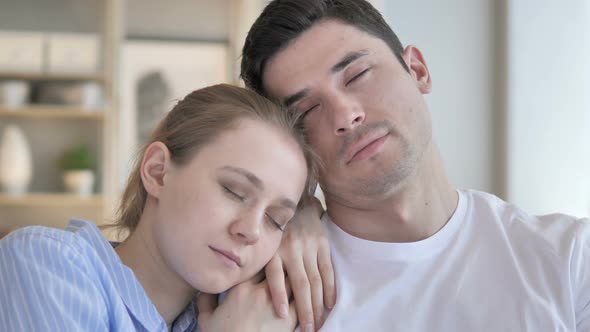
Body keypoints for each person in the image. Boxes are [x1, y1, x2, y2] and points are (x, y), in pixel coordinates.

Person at [240, 0, 590, 331]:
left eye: (357, 74)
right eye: (307, 111)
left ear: (418, 70)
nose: (346, 115)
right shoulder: (265, 302)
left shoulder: (571, 259)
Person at [0, 84, 320, 331]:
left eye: (276, 220)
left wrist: (315, 218)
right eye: (234, 191)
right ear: (157, 171)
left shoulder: (241, 314)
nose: (250, 231)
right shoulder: (45, 263)